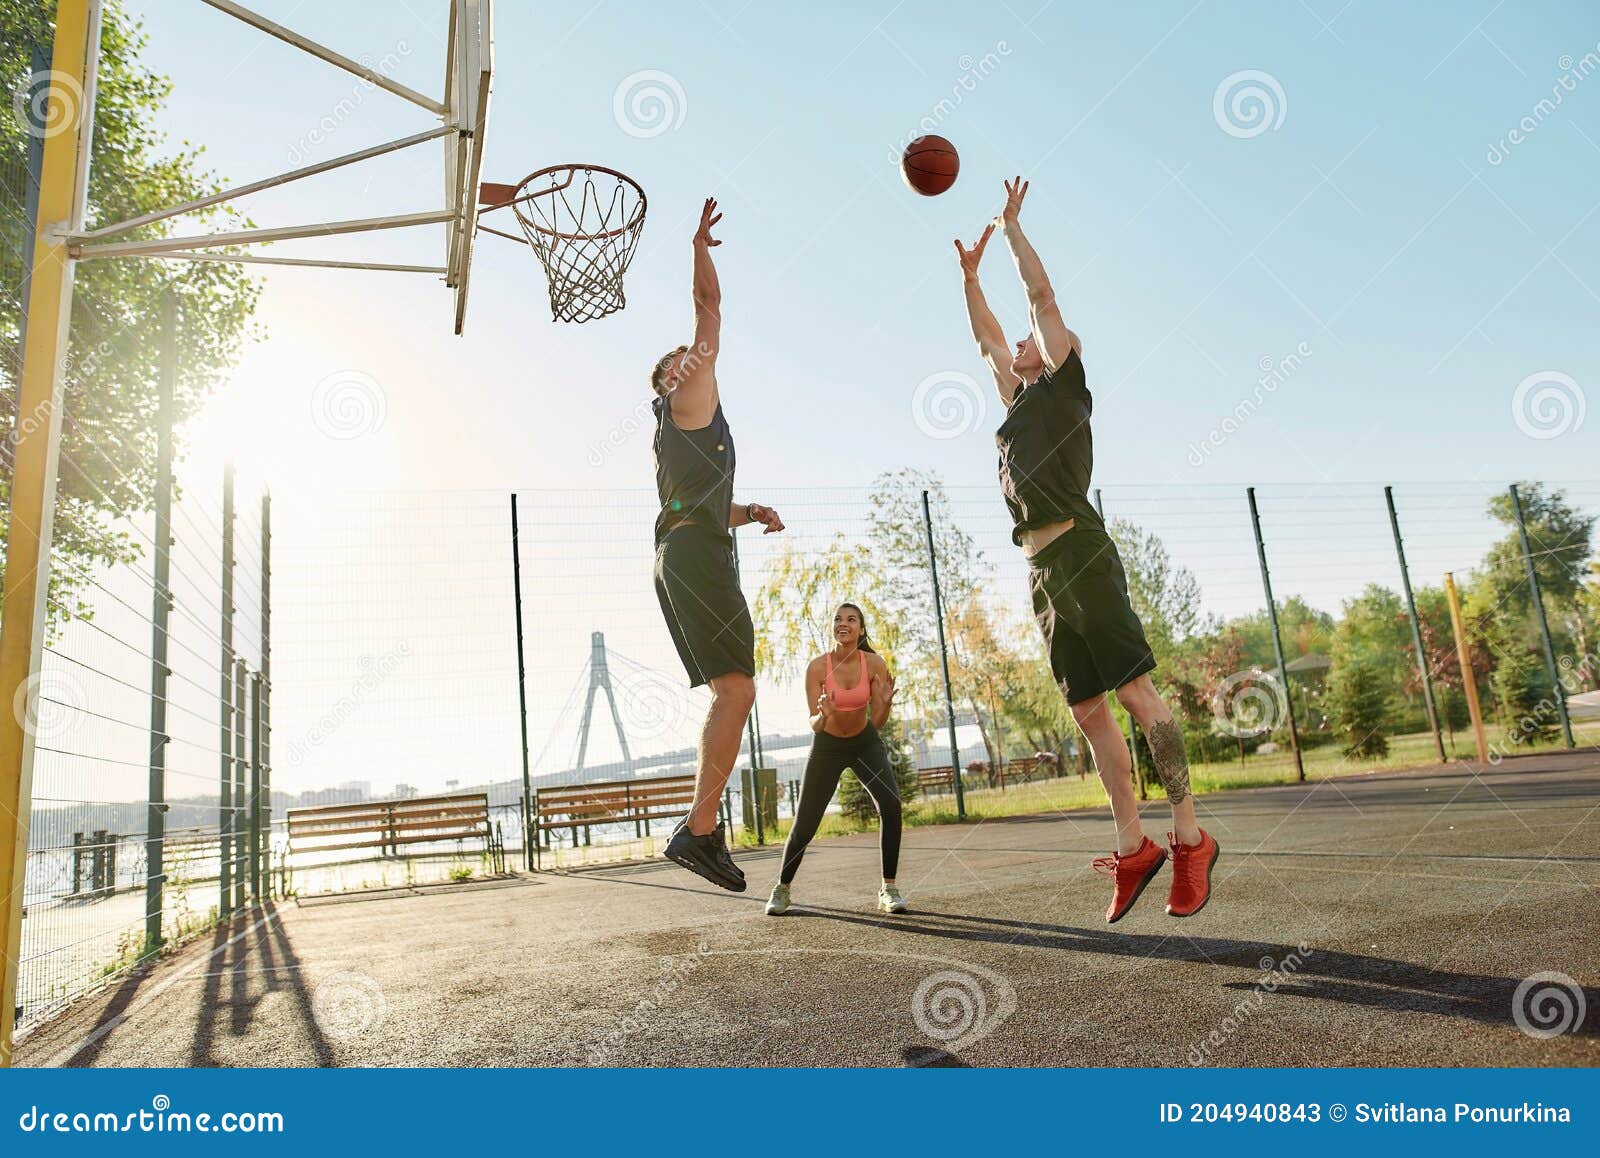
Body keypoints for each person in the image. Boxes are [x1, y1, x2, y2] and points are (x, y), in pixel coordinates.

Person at [954, 176, 1218, 922]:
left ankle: (1190, 838)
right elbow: (986, 340)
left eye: (1037, 338)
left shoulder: (1065, 384)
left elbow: (1040, 299)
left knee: (1136, 696)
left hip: (1083, 555)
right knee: (1090, 714)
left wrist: (1008, 230)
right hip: (1039, 571)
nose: (1026, 343)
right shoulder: (1016, 402)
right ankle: (1135, 847)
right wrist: (969, 279)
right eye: (1025, 345)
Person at [653, 197, 785, 891]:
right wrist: (699, 246)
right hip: (692, 558)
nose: (693, 359)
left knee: (735, 690)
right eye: (680, 360)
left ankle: (700, 830)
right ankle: (698, 831)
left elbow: (691, 504)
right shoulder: (685, 401)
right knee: (737, 689)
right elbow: (708, 308)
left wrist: (744, 510)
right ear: (671, 379)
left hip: (688, 549)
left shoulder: (694, 426)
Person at [766, 603, 904, 916]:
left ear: (861, 629)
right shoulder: (817, 668)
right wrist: (823, 716)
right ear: (833, 627)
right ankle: (782, 889)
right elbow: (814, 723)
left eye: (851, 619)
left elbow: (878, 722)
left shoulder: (875, 663)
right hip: (827, 745)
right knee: (805, 823)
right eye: (838, 619)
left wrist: (883, 704)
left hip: (864, 743)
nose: (844, 624)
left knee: (891, 805)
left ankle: (889, 888)